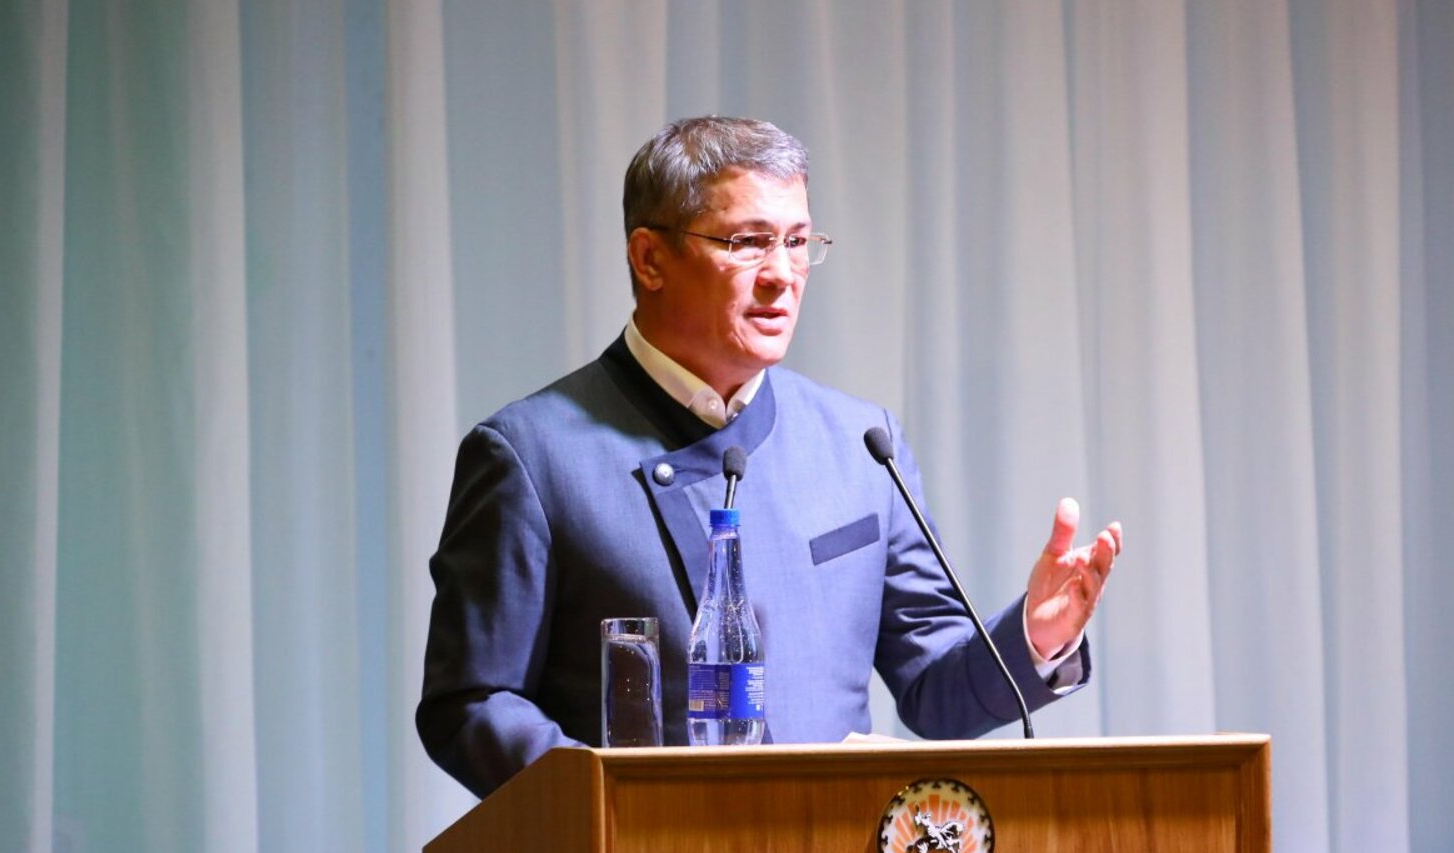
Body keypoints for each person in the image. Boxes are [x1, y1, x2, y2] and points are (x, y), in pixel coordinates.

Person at [416, 116, 1122, 799]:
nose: (783, 274)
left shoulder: (861, 445)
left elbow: (938, 695)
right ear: (650, 259)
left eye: (798, 242)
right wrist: (617, 800)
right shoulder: (532, 456)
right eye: (749, 242)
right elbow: (472, 702)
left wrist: (1034, 637)